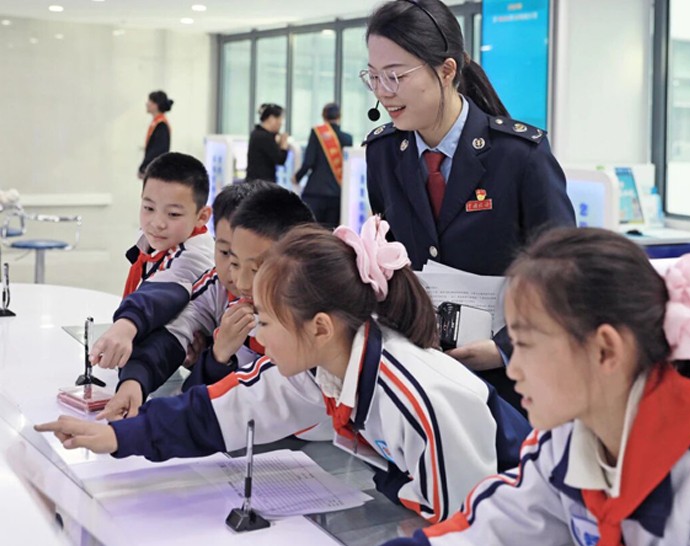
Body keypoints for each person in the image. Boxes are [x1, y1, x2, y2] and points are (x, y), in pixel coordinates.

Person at [36, 216, 531, 524]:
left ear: (319, 327)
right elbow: (225, 410)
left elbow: (475, 525)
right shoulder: (327, 367)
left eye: (267, 321)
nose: (259, 335)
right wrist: (116, 437)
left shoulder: (419, 399)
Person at [383, 228, 690, 546]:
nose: (513, 370)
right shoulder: (565, 439)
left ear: (605, 350)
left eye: (525, 346)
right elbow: (490, 529)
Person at [361, 0, 576, 403]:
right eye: (373, 76)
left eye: (395, 76)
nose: (383, 92)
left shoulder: (519, 155)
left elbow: (565, 272)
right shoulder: (383, 154)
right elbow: (390, 258)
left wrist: (505, 348)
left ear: (446, 71)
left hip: (510, 383)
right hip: (419, 375)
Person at [101, 182, 316, 420]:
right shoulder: (216, 287)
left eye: (256, 266)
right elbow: (172, 335)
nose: (240, 280)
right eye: (227, 255)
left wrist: (215, 358)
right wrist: (134, 383)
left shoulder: (308, 314)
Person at [91, 152, 214, 369]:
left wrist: (126, 325)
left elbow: (160, 291)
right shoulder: (154, 243)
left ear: (202, 216)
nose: (157, 223)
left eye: (173, 214)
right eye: (148, 208)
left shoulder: (197, 255)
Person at [295, 103, 354, 228]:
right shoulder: (348, 138)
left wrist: (297, 177)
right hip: (336, 194)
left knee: (311, 230)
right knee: (329, 232)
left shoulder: (316, 133)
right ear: (339, 116)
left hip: (315, 192)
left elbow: (309, 162)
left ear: (323, 116)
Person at [245, 103, 289, 183]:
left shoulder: (256, 133)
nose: (281, 124)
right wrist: (284, 145)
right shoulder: (264, 137)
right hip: (262, 184)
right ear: (271, 119)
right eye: (280, 120)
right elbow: (280, 160)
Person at [138, 90, 174, 179]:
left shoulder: (161, 125)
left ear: (156, 105)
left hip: (156, 171)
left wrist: (145, 166)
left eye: (150, 101)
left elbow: (157, 150)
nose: (147, 104)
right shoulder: (156, 123)